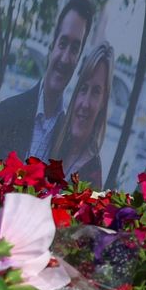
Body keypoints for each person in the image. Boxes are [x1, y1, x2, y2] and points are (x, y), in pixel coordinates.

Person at [0, 0, 97, 163]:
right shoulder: (6, 112)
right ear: (51, 47)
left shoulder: (69, 141)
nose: (65, 58)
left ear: (79, 59)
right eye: (62, 44)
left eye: (75, 49)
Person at [51, 41, 113, 188]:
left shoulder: (92, 176)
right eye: (83, 89)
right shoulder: (54, 139)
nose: (85, 104)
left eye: (96, 92)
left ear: (103, 103)